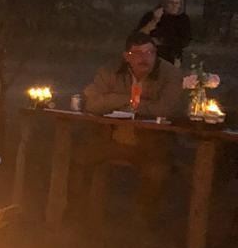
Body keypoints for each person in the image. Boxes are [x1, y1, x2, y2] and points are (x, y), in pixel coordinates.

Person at [76, 31, 183, 219]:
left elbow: (166, 108)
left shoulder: (170, 74)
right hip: (112, 139)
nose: (145, 58)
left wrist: (117, 102)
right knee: (78, 158)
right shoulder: (110, 71)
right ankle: (76, 212)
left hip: (152, 144)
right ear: (127, 56)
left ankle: (143, 219)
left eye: (150, 53)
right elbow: (91, 103)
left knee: (157, 171)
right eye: (138, 53)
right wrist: (126, 99)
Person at [136, 0, 191, 65]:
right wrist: (155, 20)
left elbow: (185, 40)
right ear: (164, 4)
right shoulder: (151, 15)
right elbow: (138, 36)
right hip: (149, 54)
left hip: (172, 56)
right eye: (171, 2)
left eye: (177, 3)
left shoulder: (183, 19)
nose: (174, 6)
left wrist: (162, 41)